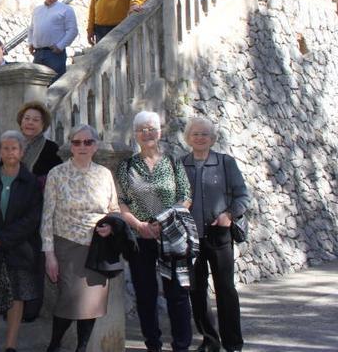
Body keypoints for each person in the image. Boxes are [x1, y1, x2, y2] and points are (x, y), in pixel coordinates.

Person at [117, 111, 192, 352]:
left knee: (177, 293)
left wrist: (166, 220)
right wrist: (139, 225)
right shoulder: (127, 166)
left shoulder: (173, 162)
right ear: (135, 134)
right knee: (145, 294)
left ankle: (181, 345)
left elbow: (185, 196)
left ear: (159, 132)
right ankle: (153, 344)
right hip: (140, 237)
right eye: (142, 129)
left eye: (151, 128)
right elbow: (121, 203)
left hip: (171, 235)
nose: (147, 133)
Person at [41, 124, 119, 352]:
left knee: (91, 304)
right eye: (77, 142)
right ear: (70, 146)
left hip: (98, 247)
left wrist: (111, 227)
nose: (82, 146)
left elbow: (113, 209)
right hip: (66, 245)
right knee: (69, 301)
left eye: (88, 142)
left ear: (95, 146)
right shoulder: (57, 174)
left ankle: (82, 348)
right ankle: (54, 346)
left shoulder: (104, 174)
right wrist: (49, 254)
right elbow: (47, 216)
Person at [182, 117, 250, 352]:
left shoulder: (225, 163)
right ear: (188, 138)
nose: (200, 138)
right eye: (195, 134)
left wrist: (229, 216)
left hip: (219, 235)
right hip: (190, 237)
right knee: (197, 291)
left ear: (212, 139)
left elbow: (243, 196)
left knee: (226, 290)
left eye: (204, 134)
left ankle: (233, 343)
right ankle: (210, 340)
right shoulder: (181, 165)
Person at [0, 131, 43, 352]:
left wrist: (2, 238)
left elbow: (32, 218)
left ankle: (11, 346)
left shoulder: (31, 182)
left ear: (22, 152)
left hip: (19, 248)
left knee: (16, 297)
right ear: (0, 151)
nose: (9, 152)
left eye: (14, 148)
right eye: (5, 147)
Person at [27, 0, 78, 78]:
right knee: (37, 86)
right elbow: (31, 29)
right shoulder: (37, 10)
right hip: (38, 54)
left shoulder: (66, 9)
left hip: (54, 54)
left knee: (55, 85)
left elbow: (73, 30)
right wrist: (30, 43)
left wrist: (60, 46)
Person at [16, 101, 62, 186]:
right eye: (26, 118)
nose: (30, 122)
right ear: (21, 121)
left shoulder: (51, 148)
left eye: (35, 120)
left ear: (43, 124)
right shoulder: (13, 144)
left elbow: (56, 178)